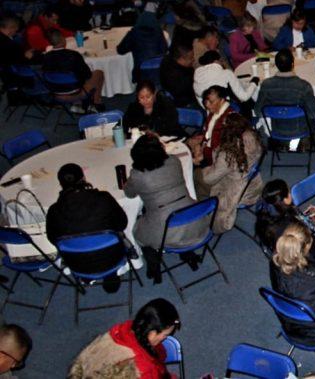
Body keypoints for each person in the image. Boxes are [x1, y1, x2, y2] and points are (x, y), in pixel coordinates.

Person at [124, 135, 206, 282]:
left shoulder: (137, 175)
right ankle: (187, 253)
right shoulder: (174, 161)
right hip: (195, 218)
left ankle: (153, 263)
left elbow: (129, 194)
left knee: (137, 229)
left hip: (165, 230)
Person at [46, 163, 128, 289]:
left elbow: (53, 239)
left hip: (77, 264)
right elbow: (122, 223)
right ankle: (110, 275)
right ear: (83, 178)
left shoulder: (54, 210)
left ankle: (88, 276)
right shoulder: (103, 198)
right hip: (112, 257)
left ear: (60, 184)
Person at [68, 298, 180, 379]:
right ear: (152, 333)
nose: (165, 338)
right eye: (165, 335)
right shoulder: (144, 369)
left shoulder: (120, 333)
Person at [192, 110, 263, 233]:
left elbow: (210, 179)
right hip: (253, 186)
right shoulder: (252, 137)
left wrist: (201, 169)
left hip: (236, 192)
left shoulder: (228, 155)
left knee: (197, 176)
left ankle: (201, 210)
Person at [256, 48, 315, 134]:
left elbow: (258, 111)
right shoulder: (304, 86)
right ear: (293, 64)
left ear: (276, 65)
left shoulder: (266, 85)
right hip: (301, 129)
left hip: (277, 130)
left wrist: (274, 110)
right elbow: (313, 113)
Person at [41, 28, 106, 108]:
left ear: (50, 42)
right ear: (63, 39)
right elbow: (87, 75)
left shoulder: (45, 57)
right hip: (76, 93)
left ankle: (77, 104)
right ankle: (97, 101)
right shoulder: (73, 55)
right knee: (99, 73)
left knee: (68, 78)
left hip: (56, 94)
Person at [116, 11, 169, 82]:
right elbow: (165, 49)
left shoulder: (134, 33)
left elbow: (120, 50)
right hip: (160, 69)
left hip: (142, 71)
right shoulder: (158, 32)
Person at [193, 49, 257, 105]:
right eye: (221, 61)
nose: (222, 63)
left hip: (211, 112)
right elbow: (244, 97)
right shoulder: (226, 74)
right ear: (216, 61)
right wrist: (254, 82)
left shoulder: (196, 78)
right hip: (229, 109)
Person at [159, 43, 196, 109]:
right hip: (183, 103)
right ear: (181, 59)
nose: (193, 59)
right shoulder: (180, 77)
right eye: (191, 58)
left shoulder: (168, 59)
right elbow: (190, 92)